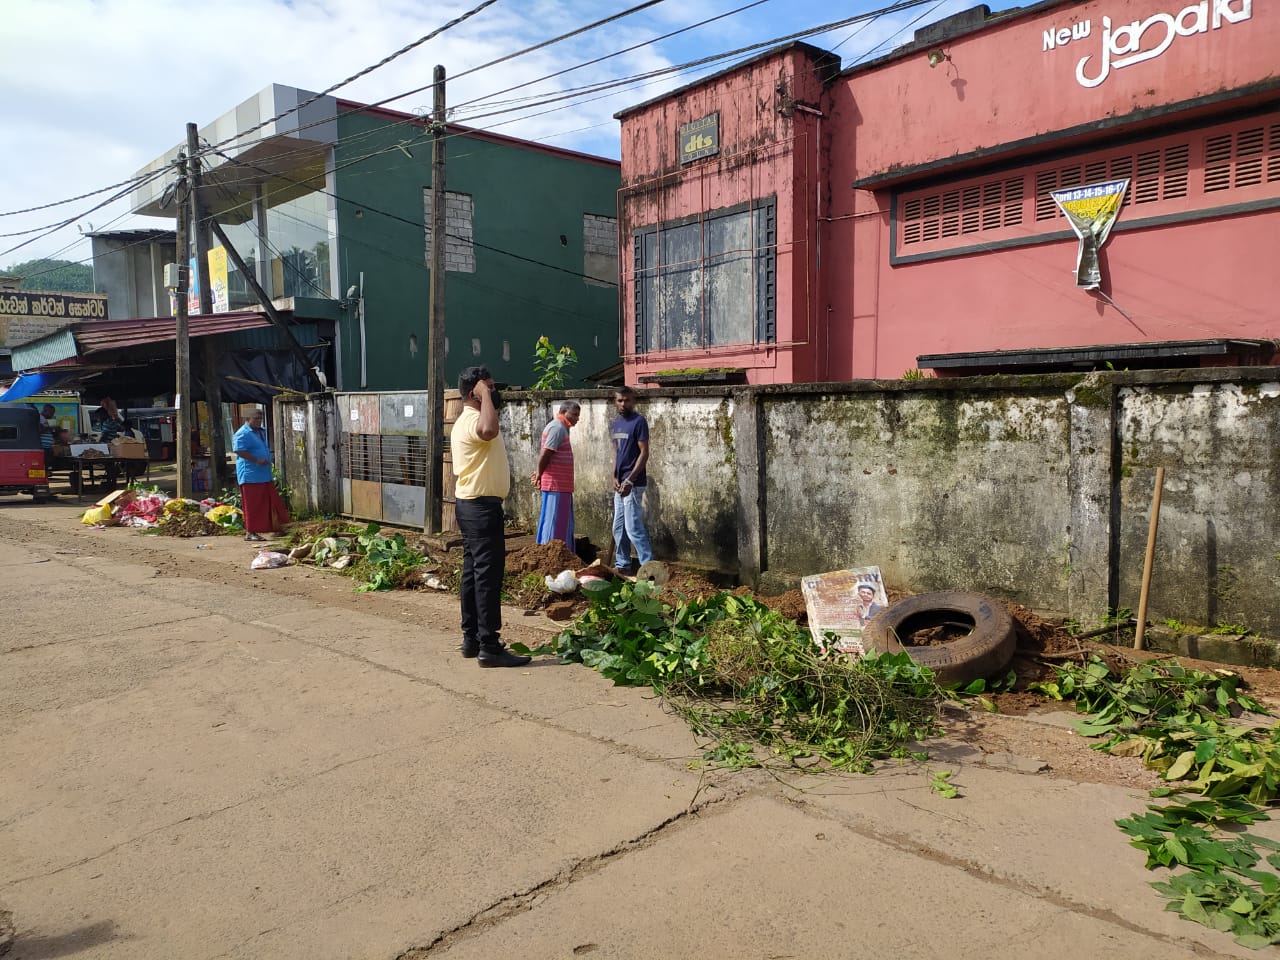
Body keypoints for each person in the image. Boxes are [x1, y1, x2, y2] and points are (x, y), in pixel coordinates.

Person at [452, 365, 530, 668]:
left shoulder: (466, 419)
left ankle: (471, 639)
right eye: (490, 387)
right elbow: (489, 430)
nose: (495, 392)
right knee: (487, 575)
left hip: (473, 505)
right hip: (480, 508)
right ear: (475, 391)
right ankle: (489, 645)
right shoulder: (474, 419)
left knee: (473, 573)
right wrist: (483, 394)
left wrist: (483, 392)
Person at [609, 385, 653, 577]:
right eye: (619, 400)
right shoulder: (615, 423)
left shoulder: (639, 422)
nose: (623, 403)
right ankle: (623, 564)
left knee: (633, 527)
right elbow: (616, 452)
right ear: (615, 401)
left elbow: (644, 453)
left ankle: (649, 569)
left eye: (627, 400)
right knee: (618, 527)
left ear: (633, 401)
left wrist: (630, 480)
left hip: (633, 484)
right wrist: (614, 476)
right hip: (620, 484)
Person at [232, 409, 290, 543]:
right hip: (250, 476)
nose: (259, 421)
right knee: (253, 505)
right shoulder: (243, 433)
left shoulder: (261, 431)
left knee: (269, 502)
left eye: (260, 418)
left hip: (264, 475)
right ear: (248, 419)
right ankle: (250, 532)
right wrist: (256, 460)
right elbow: (239, 450)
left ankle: (273, 527)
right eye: (256, 418)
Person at [531, 400, 580, 546]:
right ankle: (550, 555)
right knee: (554, 522)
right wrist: (539, 474)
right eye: (574, 414)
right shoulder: (557, 428)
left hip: (561, 485)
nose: (577, 418)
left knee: (560, 522)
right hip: (555, 485)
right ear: (564, 412)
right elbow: (546, 453)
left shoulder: (561, 428)